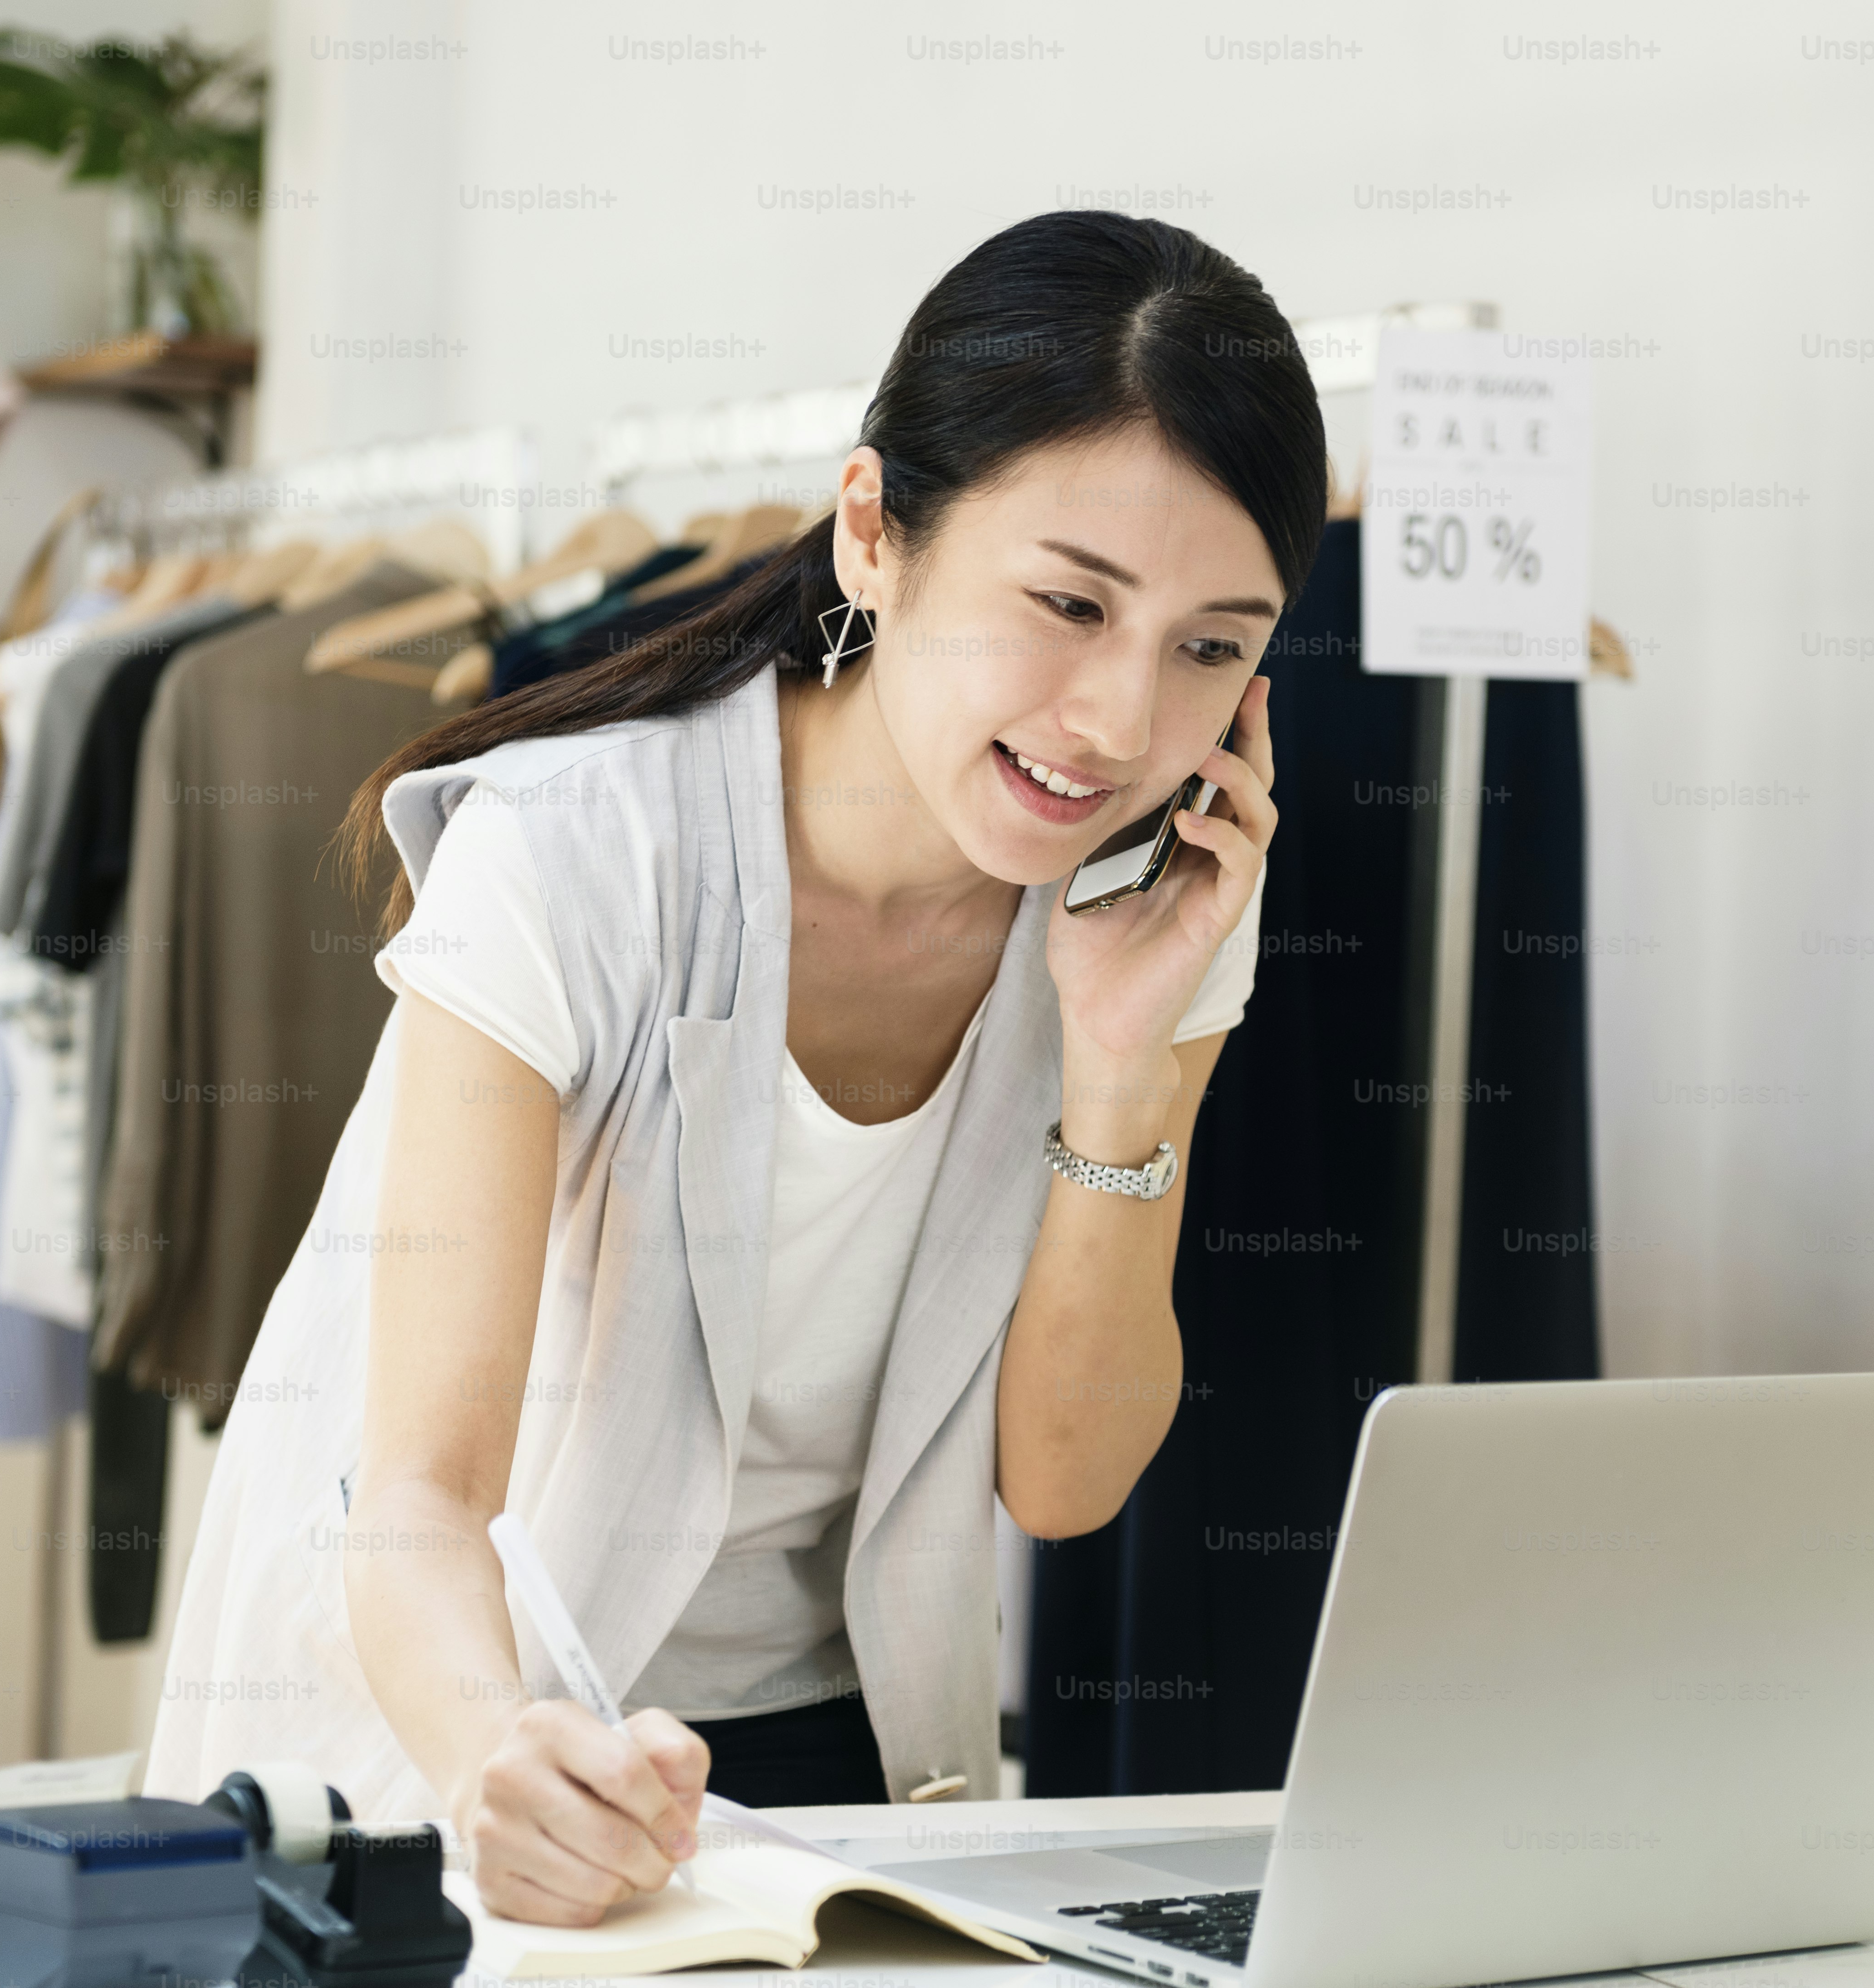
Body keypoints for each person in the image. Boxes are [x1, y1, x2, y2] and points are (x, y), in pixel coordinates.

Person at [147, 210, 1327, 1926]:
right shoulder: (573, 852)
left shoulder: (1157, 901)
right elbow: (416, 1497)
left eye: (1209, 646)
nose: (1119, 723)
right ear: (874, 534)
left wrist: (1123, 1064)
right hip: (458, 1723)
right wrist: (496, 1763)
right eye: (1069, 603)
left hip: (842, 1748)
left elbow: (1066, 1483)